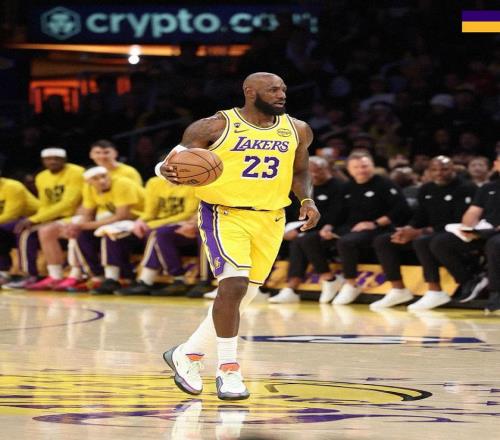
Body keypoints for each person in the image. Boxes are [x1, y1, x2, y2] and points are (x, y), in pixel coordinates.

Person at [157, 72, 320, 400]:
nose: (281, 94)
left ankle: (187, 355)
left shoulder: (298, 129)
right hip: (224, 213)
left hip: (271, 217)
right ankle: (228, 368)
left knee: (244, 296)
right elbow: (170, 163)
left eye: (283, 89)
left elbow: (300, 171)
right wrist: (165, 171)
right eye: (272, 90)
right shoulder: (213, 127)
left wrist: (307, 200)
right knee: (233, 286)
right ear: (250, 92)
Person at [372, 156, 476, 310]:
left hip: (455, 233)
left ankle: (435, 291)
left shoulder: (467, 188)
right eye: (434, 170)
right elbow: (420, 216)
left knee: (422, 241)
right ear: (428, 171)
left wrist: (420, 231)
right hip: (429, 232)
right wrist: (407, 228)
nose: (439, 173)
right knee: (383, 240)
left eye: (444, 169)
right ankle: (398, 289)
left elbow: (459, 220)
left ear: (453, 169)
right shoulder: (426, 188)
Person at [318, 150, 412, 305]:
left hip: (380, 227)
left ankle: (351, 284)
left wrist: (375, 223)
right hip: (352, 228)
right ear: (349, 169)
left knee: (346, 242)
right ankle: (330, 280)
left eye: (365, 166)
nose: (361, 170)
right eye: (356, 167)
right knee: (311, 239)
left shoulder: (384, 183)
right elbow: (337, 212)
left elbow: (402, 209)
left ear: (372, 166)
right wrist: (328, 227)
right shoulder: (347, 187)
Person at [3, 148, 84, 290]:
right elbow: (44, 204)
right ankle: (43, 275)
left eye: (57, 159)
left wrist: (35, 219)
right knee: (26, 231)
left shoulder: (76, 172)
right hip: (54, 217)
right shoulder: (41, 177)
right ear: (43, 161)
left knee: (36, 231)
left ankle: (35, 275)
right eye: (49, 159)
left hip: (75, 216)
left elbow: (69, 203)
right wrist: (38, 219)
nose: (53, 161)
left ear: (64, 160)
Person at [268, 156, 345, 303]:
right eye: (310, 172)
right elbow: (291, 211)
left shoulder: (338, 187)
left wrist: (298, 231)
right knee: (275, 239)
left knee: (302, 240)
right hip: (304, 228)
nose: (313, 175)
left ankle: (321, 280)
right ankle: (267, 287)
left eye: (317, 171)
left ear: (325, 169)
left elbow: (333, 215)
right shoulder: (303, 187)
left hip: (329, 228)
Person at [429, 152, 500, 312]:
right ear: (496, 164)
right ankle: (469, 280)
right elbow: (473, 212)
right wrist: (468, 228)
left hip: (495, 235)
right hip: (486, 230)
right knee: (440, 242)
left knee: (495, 243)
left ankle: (496, 293)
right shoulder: (487, 188)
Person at [113, 174, 200, 296]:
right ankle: (130, 279)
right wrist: (140, 221)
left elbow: (187, 214)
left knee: (158, 233)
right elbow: (150, 212)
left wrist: (152, 225)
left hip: (185, 224)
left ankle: (150, 280)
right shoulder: (154, 182)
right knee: (116, 234)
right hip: (161, 225)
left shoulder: (193, 182)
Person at [68, 167, 145, 294]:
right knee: (82, 235)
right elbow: (87, 213)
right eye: (96, 179)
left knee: (109, 233)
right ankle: (97, 276)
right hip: (118, 223)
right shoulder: (89, 188)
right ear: (88, 182)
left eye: (104, 176)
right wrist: (76, 226)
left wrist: (85, 225)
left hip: (138, 221)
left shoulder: (122, 183)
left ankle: (113, 279)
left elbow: (122, 215)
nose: (102, 181)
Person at [0, 155, 40, 285]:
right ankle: (3, 271)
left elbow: (12, 214)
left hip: (34, 218)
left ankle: (29, 274)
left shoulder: (12, 186)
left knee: (19, 229)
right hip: (7, 222)